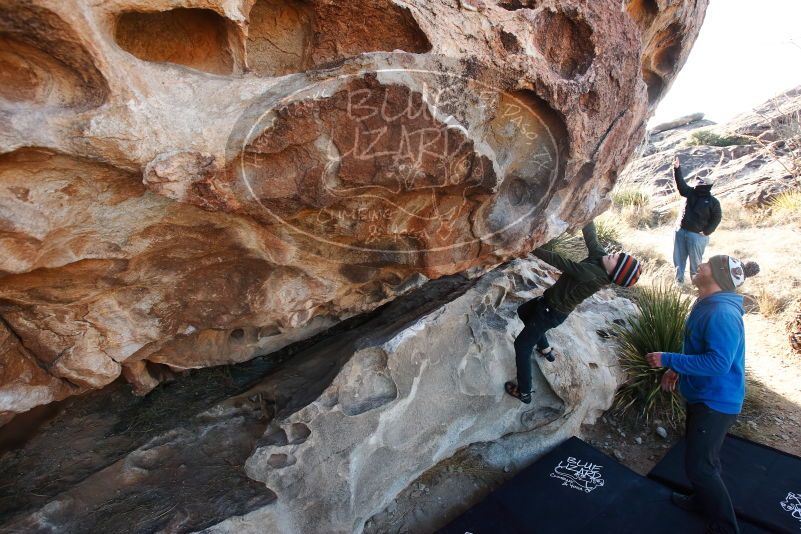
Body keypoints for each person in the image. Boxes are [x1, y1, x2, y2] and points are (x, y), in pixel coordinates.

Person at [646, 255, 760, 534]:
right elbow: (699, 349)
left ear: (719, 277)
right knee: (704, 458)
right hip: (704, 395)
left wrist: (668, 359)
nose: (700, 266)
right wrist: (678, 368)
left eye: (707, 264)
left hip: (717, 402)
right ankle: (701, 501)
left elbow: (719, 363)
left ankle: (726, 528)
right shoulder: (707, 303)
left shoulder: (722, 313)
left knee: (700, 466)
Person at [505, 221, 642, 404]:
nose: (615, 255)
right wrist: (588, 215)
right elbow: (591, 237)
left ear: (614, 274)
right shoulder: (601, 258)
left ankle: (525, 392)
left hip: (550, 312)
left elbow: (560, 261)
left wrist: (529, 248)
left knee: (522, 346)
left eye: (618, 262)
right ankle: (545, 348)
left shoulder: (592, 274)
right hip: (550, 306)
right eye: (619, 256)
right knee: (524, 312)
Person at [672, 156, 722, 285]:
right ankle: (679, 282)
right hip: (681, 232)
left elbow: (717, 218)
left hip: (697, 237)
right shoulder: (690, 193)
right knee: (678, 259)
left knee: (696, 263)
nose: (697, 183)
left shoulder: (713, 202)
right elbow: (681, 185)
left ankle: (697, 285)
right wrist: (677, 169)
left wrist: (706, 232)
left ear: (706, 186)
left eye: (700, 182)